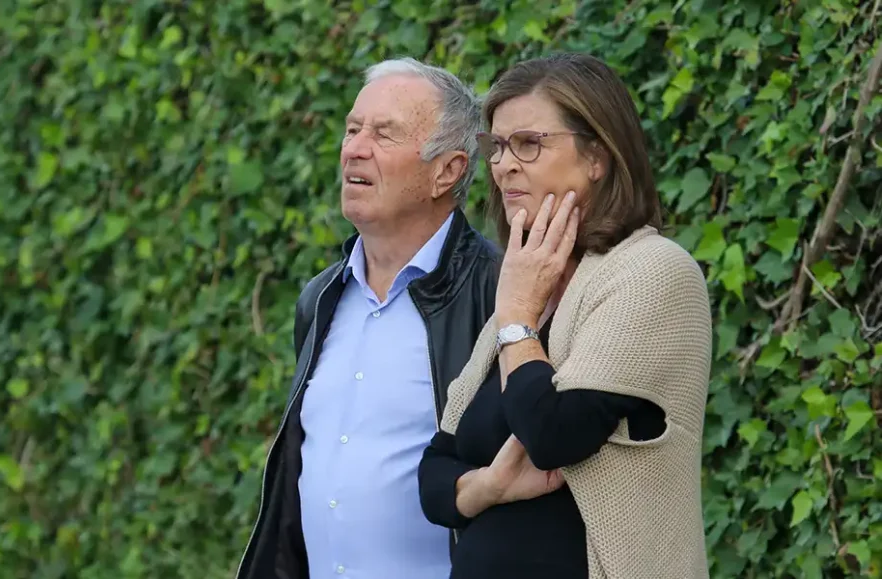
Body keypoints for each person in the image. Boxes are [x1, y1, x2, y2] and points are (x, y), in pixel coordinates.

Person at [417, 53, 713, 579]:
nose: (504, 163)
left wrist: (516, 319)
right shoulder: (532, 293)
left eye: (529, 143)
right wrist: (490, 487)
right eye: (497, 146)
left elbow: (553, 433)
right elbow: (436, 474)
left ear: (597, 156)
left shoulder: (651, 273)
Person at [236, 57, 502, 579]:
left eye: (385, 134)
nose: (354, 148)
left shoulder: (497, 292)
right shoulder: (322, 298)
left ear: (446, 171)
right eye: (353, 129)